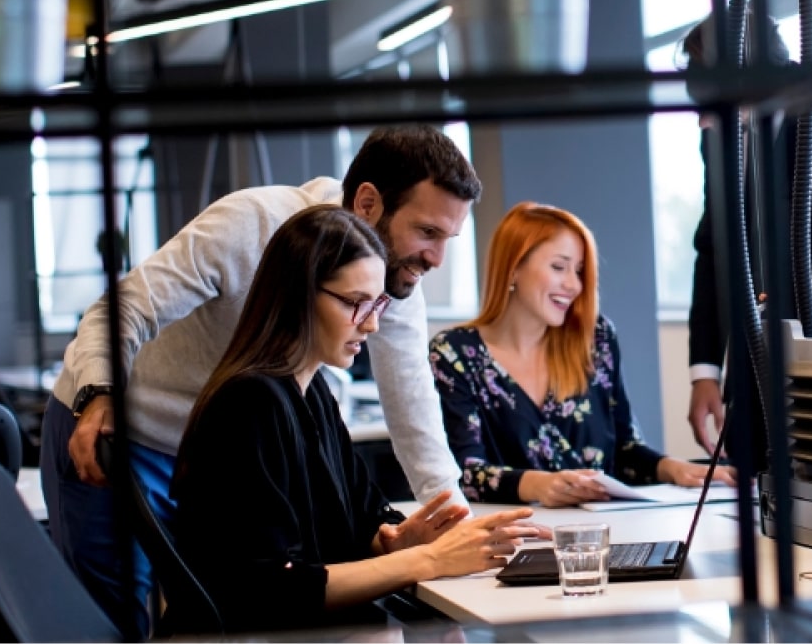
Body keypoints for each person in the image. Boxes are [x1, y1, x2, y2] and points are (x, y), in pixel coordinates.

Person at [39, 125, 481, 637]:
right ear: (367, 202)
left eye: (449, 240)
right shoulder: (250, 226)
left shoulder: (382, 284)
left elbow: (413, 407)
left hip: (231, 442)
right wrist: (99, 393)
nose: (435, 258)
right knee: (113, 622)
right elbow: (122, 311)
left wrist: (452, 530)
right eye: (427, 232)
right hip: (125, 429)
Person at [169, 205, 537, 633]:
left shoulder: (313, 390)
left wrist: (392, 541)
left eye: (377, 303)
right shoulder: (249, 404)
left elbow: (360, 517)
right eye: (355, 304)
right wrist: (425, 559)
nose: (373, 324)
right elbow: (271, 588)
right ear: (299, 295)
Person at [679, 12, 812, 458]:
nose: (704, 124)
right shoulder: (721, 137)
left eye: (713, 107)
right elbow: (714, 247)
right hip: (751, 389)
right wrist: (705, 369)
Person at [431, 203, 737, 506]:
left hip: (606, 532)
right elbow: (465, 474)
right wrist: (539, 485)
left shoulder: (596, 339)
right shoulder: (453, 355)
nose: (574, 285)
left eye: (578, 271)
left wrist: (674, 469)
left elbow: (625, 450)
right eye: (559, 267)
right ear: (513, 268)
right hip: (513, 539)